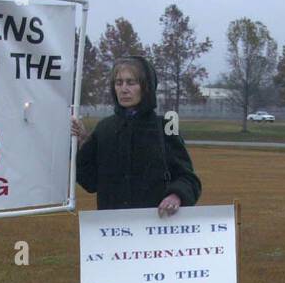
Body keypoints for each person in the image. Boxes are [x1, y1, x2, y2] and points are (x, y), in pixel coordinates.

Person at [71, 56, 201, 215]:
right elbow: (90, 183)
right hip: (114, 231)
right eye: (119, 83)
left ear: (146, 87)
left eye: (131, 82)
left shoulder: (166, 126)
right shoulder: (104, 129)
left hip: (156, 228)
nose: (124, 89)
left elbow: (188, 179)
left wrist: (176, 195)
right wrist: (82, 143)